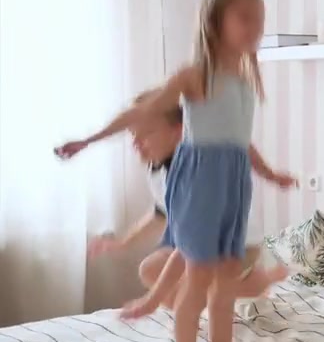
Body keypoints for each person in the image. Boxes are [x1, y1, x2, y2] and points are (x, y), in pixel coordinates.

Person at [56, 0, 291, 342]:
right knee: (198, 275)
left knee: (227, 272)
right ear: (215, 22)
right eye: (245, 18)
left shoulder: (244, 80)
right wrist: (89, 140)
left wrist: (270, 173)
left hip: (234, 183)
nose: (255, 27)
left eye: (260, 19)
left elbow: (240, 142)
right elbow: (140, 112)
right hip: (200, 183)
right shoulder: (195, 75)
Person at [86, 90, 288, 312]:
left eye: (146, 134)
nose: (135, 142)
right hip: (196, 244)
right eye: (133, 134)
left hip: (237, 246)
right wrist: (123, 242)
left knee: (197, 282)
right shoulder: (158, 169)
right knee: (150, 269)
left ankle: (260, 281)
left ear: (179, 130)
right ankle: (195, 313)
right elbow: (161, 214)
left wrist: (151, 300)